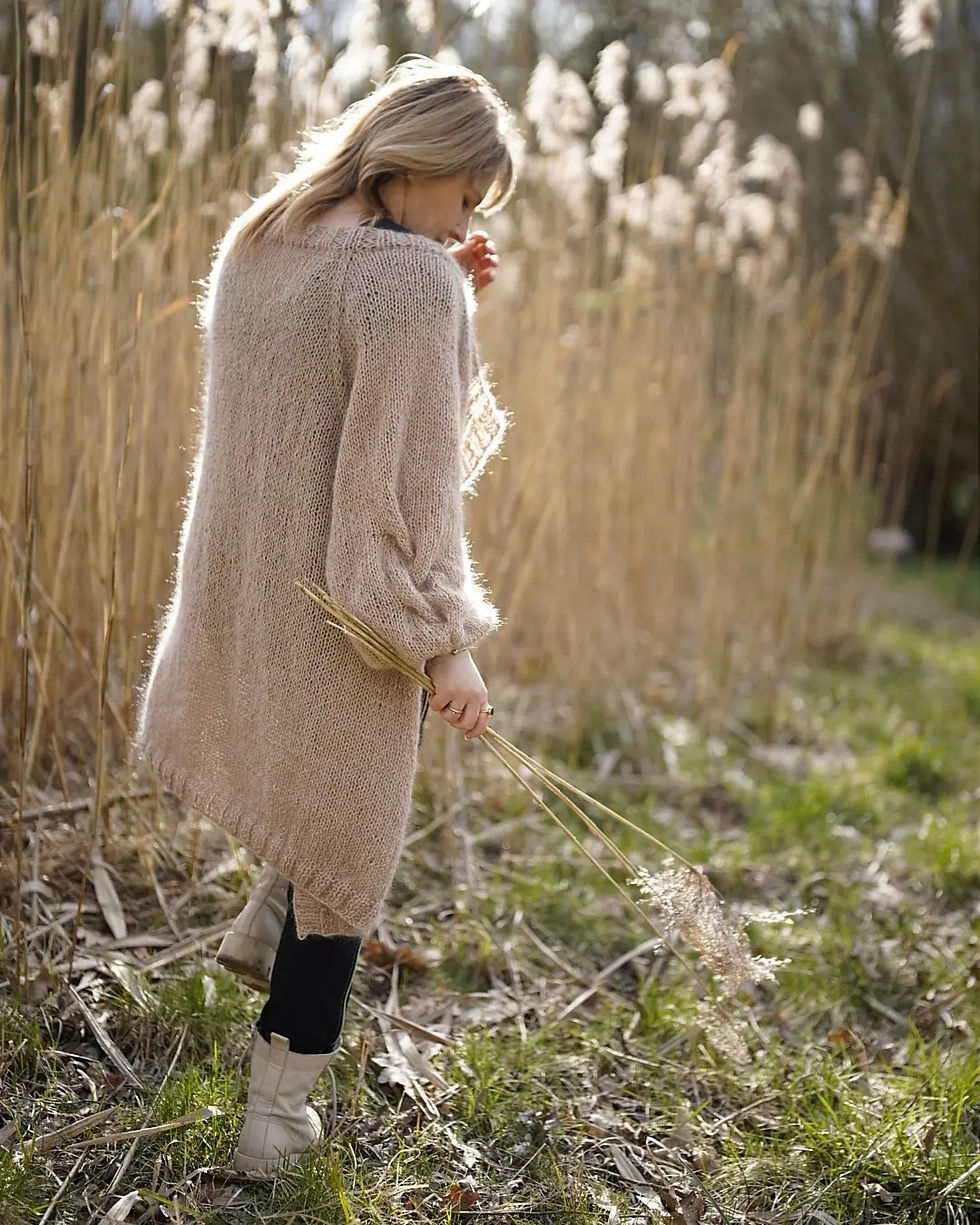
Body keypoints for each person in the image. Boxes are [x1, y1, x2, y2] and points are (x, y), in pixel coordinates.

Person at [129, 55, 521, 1174]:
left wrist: (446, 299)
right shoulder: (405, 282)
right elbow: (404, 496)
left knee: (312, 796)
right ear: (415, 166)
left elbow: (321, 378)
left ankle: (260, 922)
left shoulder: (260, 238)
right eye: (462, 195)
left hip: (240, 589)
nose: (465, 220)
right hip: (338, 616)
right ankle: (275, 1117)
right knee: (351, 841)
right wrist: (445, 644)